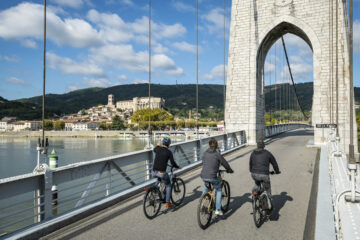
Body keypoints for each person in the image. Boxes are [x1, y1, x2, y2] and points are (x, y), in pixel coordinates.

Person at [200, 138, 234, 216]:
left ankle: (202, 203)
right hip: (212, 176)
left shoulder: (205, 153)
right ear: (216, 146)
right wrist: (229, 170)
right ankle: (218, 209)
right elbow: (224, 163)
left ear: (209, 145)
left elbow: (204, 162)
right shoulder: (217, 154)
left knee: (206, 187)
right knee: (219, 190)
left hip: (203, 176)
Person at [249, 140, 280, 215]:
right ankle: (268, 211)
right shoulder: (267, 153)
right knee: (267, 190)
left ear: (257, 146)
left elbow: (250, 164)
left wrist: (252, 171)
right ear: (264, 146)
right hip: (264, 175)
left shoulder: (253, 153)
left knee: (257, 185)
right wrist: (277, 171)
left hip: (254, 174)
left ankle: (254, 199)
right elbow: (274, 163)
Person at [153, 137, 180, 208]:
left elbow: (154, 149)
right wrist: (177, 166)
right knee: (168, 185)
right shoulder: (169, 152)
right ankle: (168, 202)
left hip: (154, 171)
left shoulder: (158, 149)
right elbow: (172, 163)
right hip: (161, 172)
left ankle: (153, 191)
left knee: (158, 178)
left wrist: (158, 145)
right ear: (169, 144)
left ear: (163, 143)